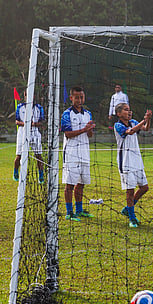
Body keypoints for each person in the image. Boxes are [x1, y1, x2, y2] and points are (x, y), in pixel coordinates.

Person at [114, 103, 152, 228]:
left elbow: (145, 128)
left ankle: (127, 209)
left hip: (137, 160)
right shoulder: (118, 125)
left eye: (130, 110)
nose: (129, 112)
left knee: (144, 188)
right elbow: (130, 132)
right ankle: (132, 218)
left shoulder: (134, 121)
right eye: (126, 110)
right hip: (126, 162)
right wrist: (143, 121)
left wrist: (148, 120)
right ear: (119, 113)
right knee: (130, 191)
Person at [61, 86, 95, 222]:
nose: (79, 100)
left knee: (81, 183)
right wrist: (84, 129)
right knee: (70, 184)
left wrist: (90, 130)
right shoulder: (67, 114)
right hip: (71, 154)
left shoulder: (88, 114)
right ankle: (69, 212)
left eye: (81, 97)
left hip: (84, 153)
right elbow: (67, 134)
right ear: (71, 98)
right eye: (77, 97)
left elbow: (90, 135)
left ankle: (79, 210)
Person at [13, 93, 45, 183]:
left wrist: (33, 124)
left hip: (35, 132)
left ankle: (41, 175)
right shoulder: (20, 107)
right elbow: (17, 121)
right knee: (19, 155)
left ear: (34, 96)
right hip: (22, 132)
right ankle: (16, 172)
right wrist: (26, 124)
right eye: (27, 95)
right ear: (25, 96)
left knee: (38, 155)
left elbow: (41, 122)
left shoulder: (39, 108)